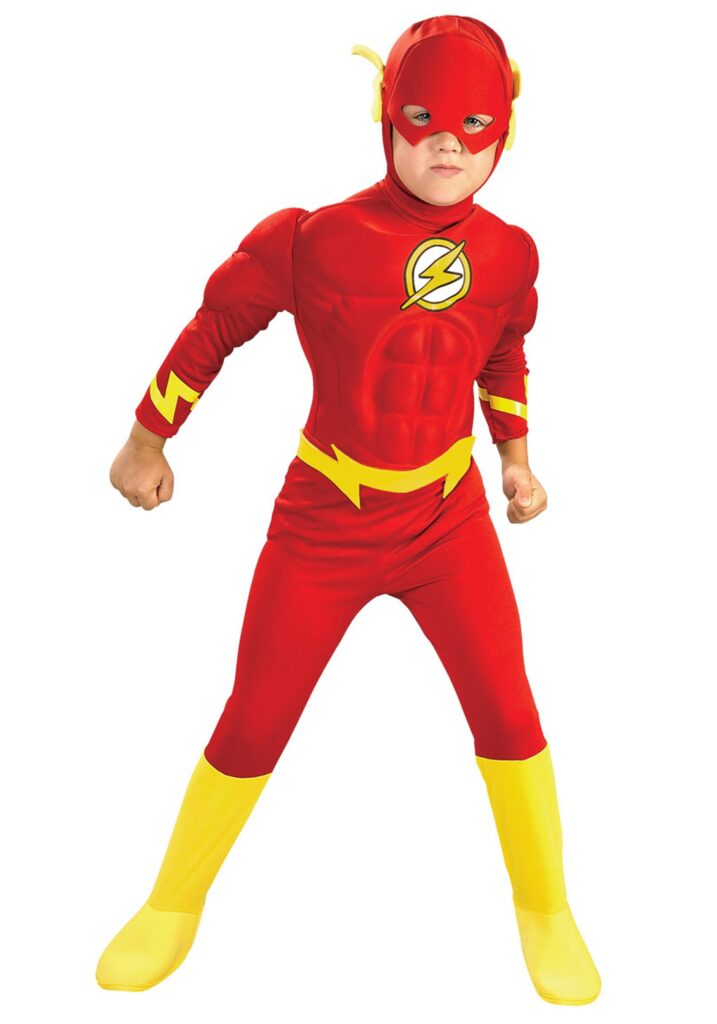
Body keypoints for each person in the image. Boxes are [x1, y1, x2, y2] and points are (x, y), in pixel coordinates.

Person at [96, 14, 601, 1005]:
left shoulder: (510, 254)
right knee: (256, 714)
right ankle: (171, 903)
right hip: (325, 516)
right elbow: (214, 328)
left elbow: (501, 352)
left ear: (507, 129)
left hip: (448, 519)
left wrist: (516, 461)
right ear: (384, 112)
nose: (449, 143)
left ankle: (547, 908)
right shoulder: (311, 240)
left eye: (474, 123)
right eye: (424, 118)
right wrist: (146, 439)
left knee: (508, 708)